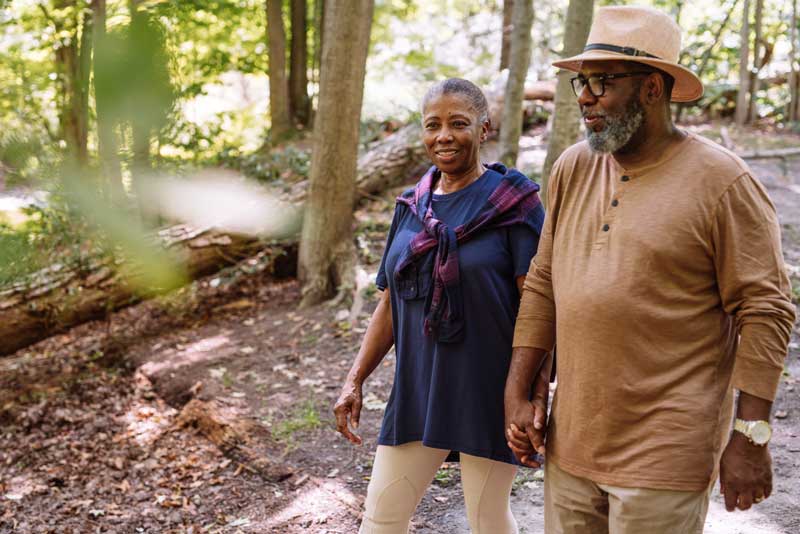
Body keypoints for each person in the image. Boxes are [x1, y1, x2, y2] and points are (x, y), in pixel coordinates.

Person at [504, 6, 796, 534]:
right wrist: (519, 389)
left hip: (665, 453)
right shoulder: (573, 166)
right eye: (581, 82)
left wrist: (750, 436)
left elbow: (766, 308)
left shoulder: (722, 182)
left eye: (603, 82)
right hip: (572, 446)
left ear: (653, 89)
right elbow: (544, 280)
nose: (586, 97)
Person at [333, 78, 547, 534]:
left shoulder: (515, 205)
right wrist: (354, 380)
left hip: (489, 391)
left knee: (487, 518)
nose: (444, 135)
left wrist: (531, 393)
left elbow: (539, 308)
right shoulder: (411, 206)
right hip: (417, 391)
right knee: (381, 520)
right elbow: (390, 301)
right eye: (433, 125)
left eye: (458, 123)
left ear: (484, 128)